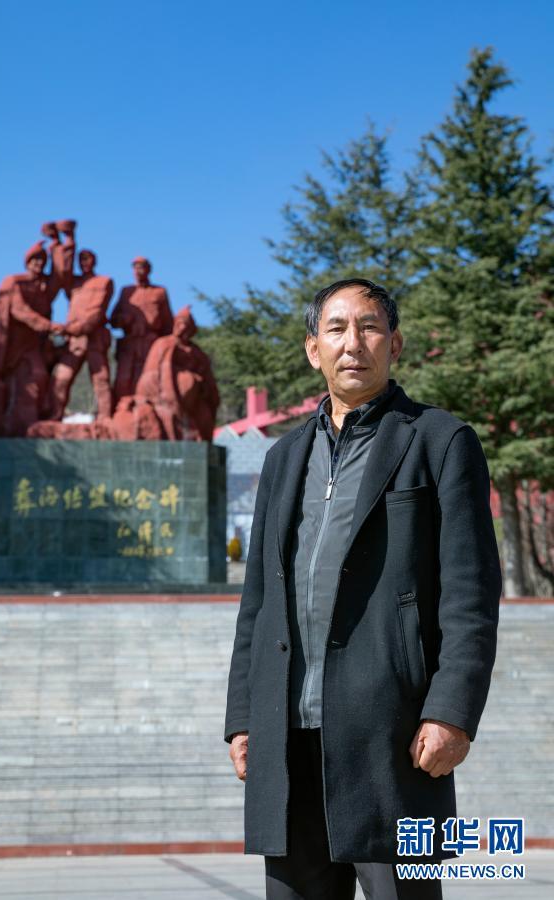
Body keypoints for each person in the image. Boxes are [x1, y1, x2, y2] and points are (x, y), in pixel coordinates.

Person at [224, 278, 502, 899]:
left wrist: (452, 711)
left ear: (394, 344)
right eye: (336, 328)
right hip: (289, 740)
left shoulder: (439, 441)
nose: (354, 343)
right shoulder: (283, 457)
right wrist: (243, 717)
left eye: (370, 327)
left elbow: (471, 594)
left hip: (394, 737)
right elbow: (258, 601)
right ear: (313, 350)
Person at [0, 237, 68, 437]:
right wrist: (49, 326)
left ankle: (29, 426)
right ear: (27, 262)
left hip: (31, 346)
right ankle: (3, 427)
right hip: (7, 347)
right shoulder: (14, 281)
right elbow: (20, 310)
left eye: (42, 260)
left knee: (39, 376)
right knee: (2, 386)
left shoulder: (44, 286)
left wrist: (59, 243)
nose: (38, 264)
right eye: (34, 259)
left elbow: (61, 275)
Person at [47, 248, 114, 420]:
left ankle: (105, 417)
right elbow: (62, 271)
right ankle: (55, 415)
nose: (85, 262)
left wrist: (75, 328)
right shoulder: (74, 283)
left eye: (88, 258)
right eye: (81, 259)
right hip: (74, 341)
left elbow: (97, 311)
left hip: (94, 337)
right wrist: (66, 243)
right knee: (62, 378)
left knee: (100, 379)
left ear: (94, 261)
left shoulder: (104, 281)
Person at [135, 305, 220, 440]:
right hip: (166, 395)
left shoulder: (196, 351)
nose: (182, 327)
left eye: (185, 324)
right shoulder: (163, 344)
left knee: (205, 417)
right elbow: (151, 374)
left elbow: (206, 375)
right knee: (167, 414)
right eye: (179, 323)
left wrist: (203, 386)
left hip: (194, 400)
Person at [109, 256, 173, 405]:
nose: (138, 271)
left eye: (142, 267)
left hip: (151, 342)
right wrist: (123, 320)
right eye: (135, 268)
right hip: (129, 341)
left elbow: (168, 322)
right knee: (123, 378)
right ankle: (121, 407)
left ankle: (149, 407)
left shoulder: (159, 292)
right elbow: (113, 320)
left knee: (149, 376)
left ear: (148, 270)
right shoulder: (126, 292)